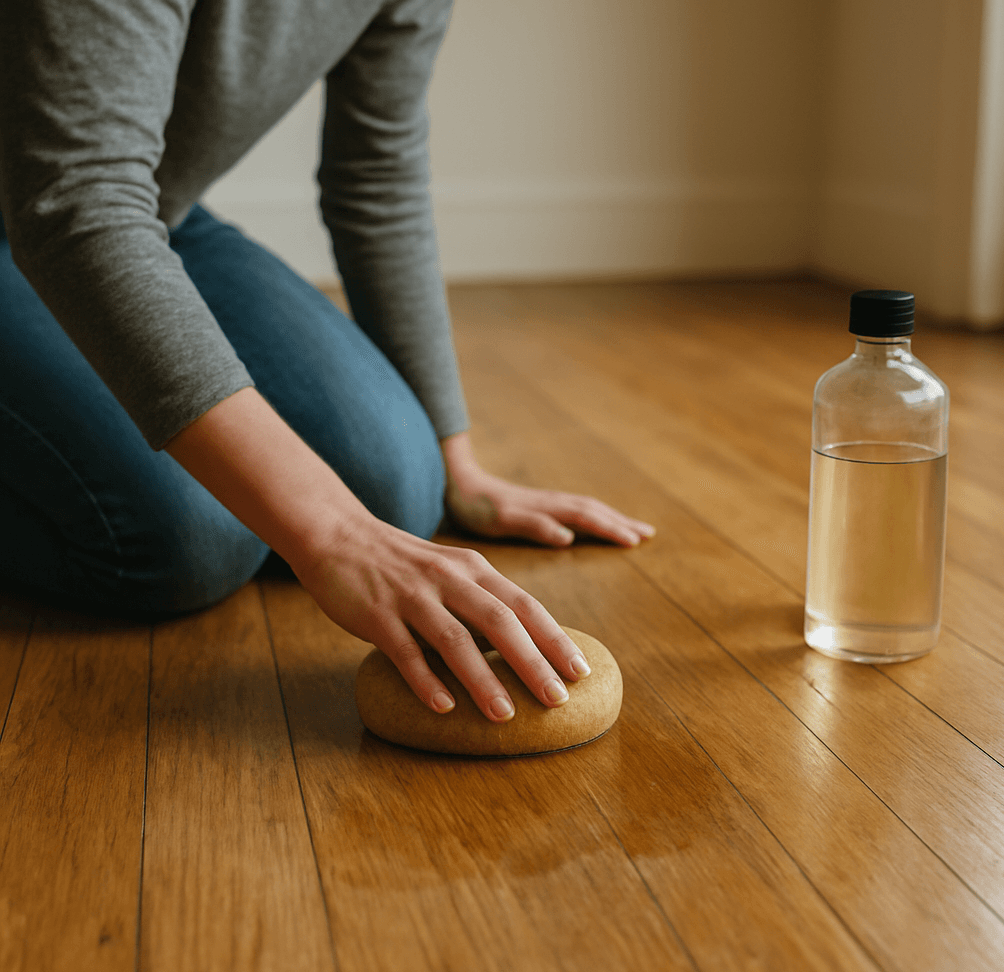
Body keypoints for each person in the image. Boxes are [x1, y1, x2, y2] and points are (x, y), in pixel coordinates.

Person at [0, 0, 654, 724]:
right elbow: (76, 193)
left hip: (149, 206)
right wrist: (333, 535)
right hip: (72, 195)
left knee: (399, 488)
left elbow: (377, 175)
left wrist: (456, 464)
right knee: (188, 542)